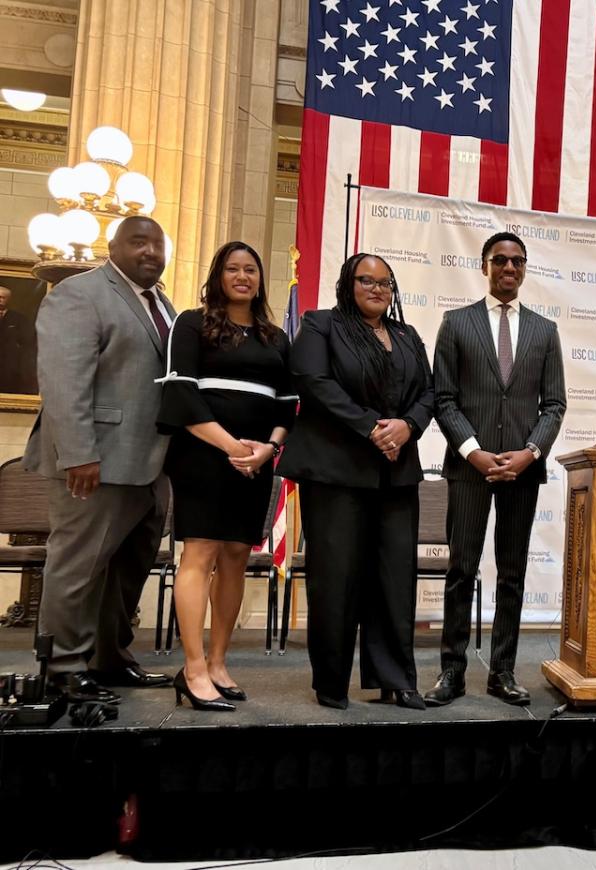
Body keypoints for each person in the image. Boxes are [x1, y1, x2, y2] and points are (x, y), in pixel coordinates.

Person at [23, 216, 175, 702]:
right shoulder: (79, 293)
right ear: (113, 248)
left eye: (157, 244)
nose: (151, 252)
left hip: (149, 462)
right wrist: (78, 454)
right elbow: (64, 382)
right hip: (96, 462)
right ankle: (63, 666)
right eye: (139, 242)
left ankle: (109, 657)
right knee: (79, 566)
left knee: (127, 568)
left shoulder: (160, 301)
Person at [277, 253, 435, 711]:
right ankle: (331, 681)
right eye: (366, 280)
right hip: (336, 471)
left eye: (386, 283)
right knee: (337, 576)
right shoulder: (322, 325)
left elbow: (429, 391)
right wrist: (372, 427)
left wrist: (407, 426)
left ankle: (395, 680)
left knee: (394, 578)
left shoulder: (407, 335)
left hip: (396, 471)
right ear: (348, 283)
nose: (377, 289)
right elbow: (314, 382)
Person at [425, 231, 566, 708]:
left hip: (522, 472)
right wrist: (473, 451)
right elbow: (443, 400)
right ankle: (452, 672)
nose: (509, 268)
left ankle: (503, 672)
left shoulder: (545, 331)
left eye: (517, 261)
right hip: (469, 469)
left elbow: (555, 405)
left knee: (512, 573)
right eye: (500, 260)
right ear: (484, 266)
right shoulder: (456, 324)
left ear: (524, 269)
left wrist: (530, 453)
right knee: (461, 571)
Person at [156, 242, 296, 711]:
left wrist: (268, 449)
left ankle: (218, 662)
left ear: (259, 278)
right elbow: (180, 395)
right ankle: (192, 668)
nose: (242, 276)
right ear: (217, 275)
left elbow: (286, 402)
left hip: (256, 460)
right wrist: (231, 446)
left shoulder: (276, 337)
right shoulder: (192, 324)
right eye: (232, 269)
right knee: (201, 552)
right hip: (202, 454)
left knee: (237, 554)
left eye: (251, 269)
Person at [0, 285, 37, 393]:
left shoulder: (19, 319)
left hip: (10, 368)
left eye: (3, 298)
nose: (0, 300)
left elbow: (28, 341)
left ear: (9, 300)